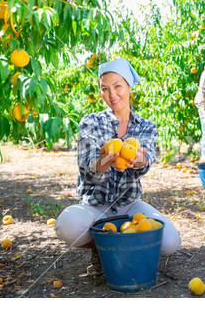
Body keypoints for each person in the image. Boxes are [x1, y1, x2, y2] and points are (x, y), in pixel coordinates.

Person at [55, 58, 181, 275]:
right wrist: (104, 161)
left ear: (129, 87)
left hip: (129, 205)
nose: (112, 94)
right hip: (95, 207)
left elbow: (146, 159)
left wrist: (138, 160)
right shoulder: (90, 122)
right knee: (67, 225)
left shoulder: (146, 126)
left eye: (117, 86)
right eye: (105, 88)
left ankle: (123, 247)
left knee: (170, 242)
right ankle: (102, 249)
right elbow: (86, 166)